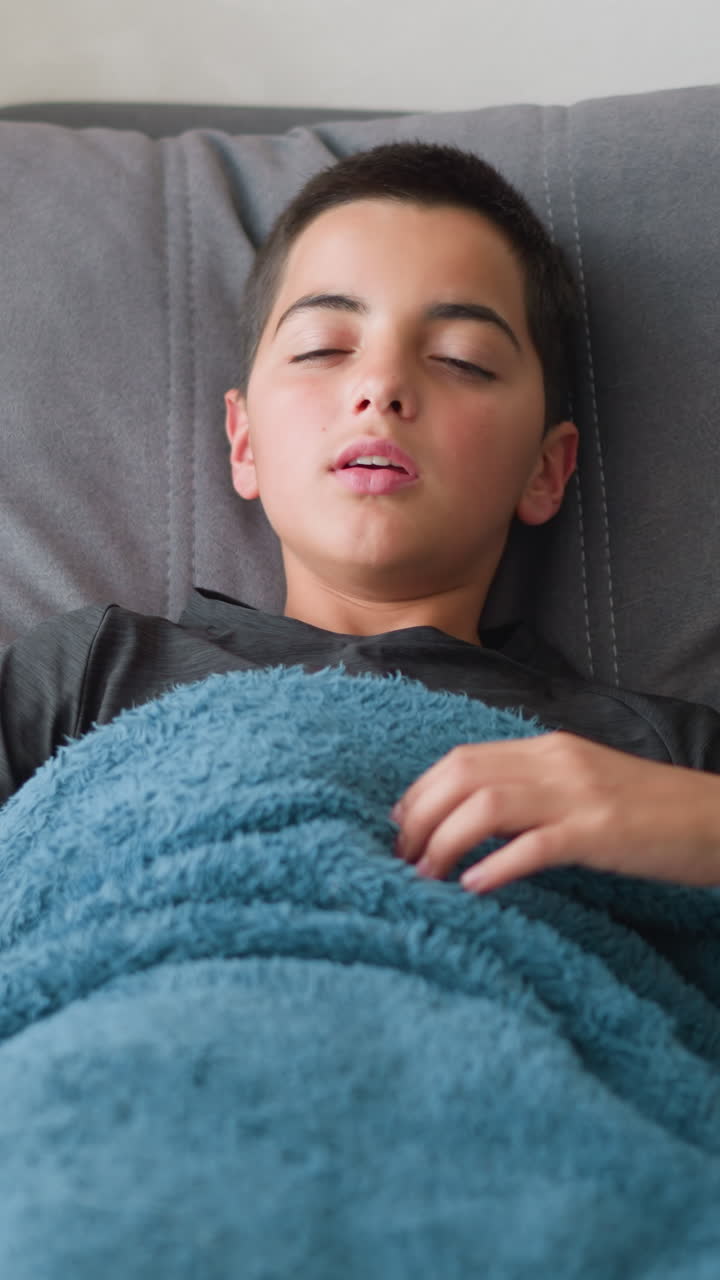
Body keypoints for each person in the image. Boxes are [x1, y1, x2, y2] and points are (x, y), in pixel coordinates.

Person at [2, 140, 720, 896]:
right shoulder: (95, 673)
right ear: (244, 442)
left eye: (462, 358)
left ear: (545, 470)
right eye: (322, 348)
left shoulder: (653, 759)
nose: (381, 385)